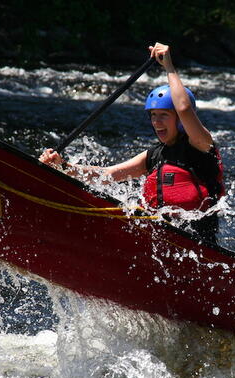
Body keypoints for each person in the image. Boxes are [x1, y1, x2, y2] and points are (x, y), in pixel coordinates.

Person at [39, 42, 224, 244]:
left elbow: (184, 108)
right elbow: (107, 175)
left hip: (197, 247)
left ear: (180, 121)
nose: (156, 122)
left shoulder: (201, 145)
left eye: (164, 115)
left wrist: (169, 67)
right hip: (158, 244)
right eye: (153, 115)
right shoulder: (154, 155)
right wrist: (63, 166)